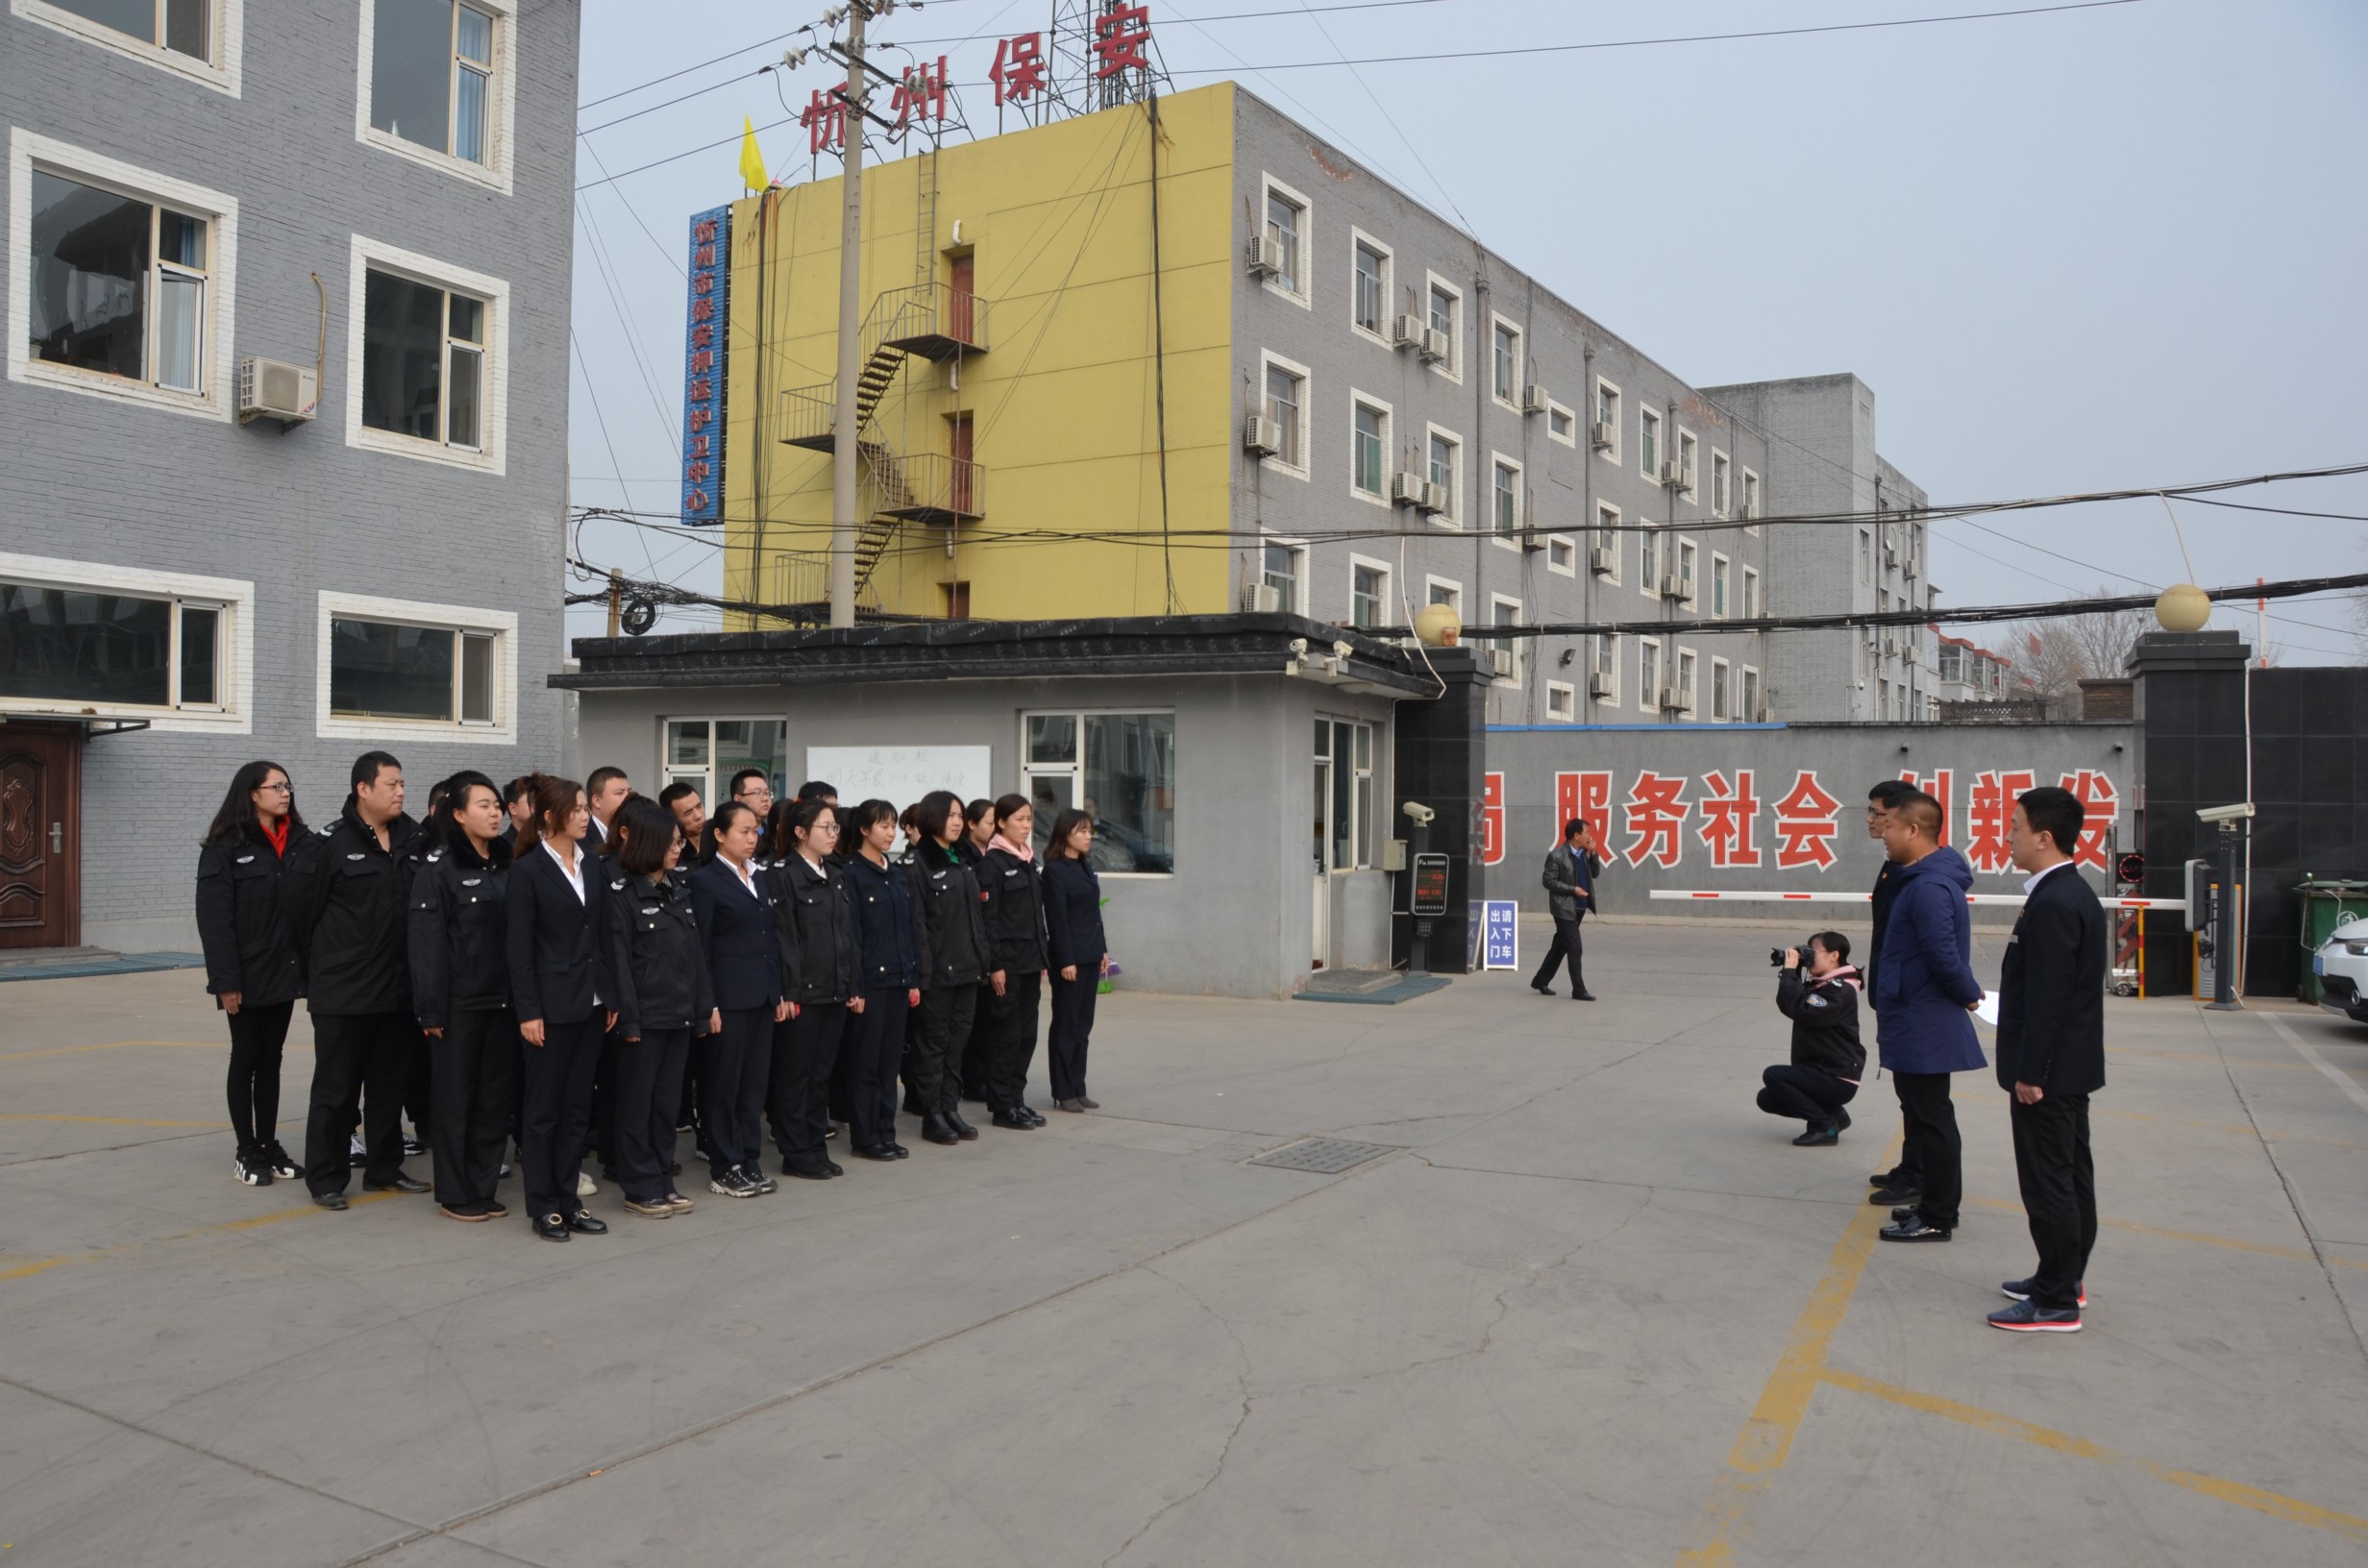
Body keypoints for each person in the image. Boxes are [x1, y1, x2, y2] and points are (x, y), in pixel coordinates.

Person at [285, 751, 428, 1210]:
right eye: (391, 784)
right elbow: (299, 917)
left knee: (389, 1086)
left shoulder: (414, 838)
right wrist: (323, 972)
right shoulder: (327, 844)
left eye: (402, 783)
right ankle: (326, 1178)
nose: (401, 791)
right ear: (363, 789)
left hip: (398, 990)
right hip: (344, 993)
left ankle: (385, 1169)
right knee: (336, 1091)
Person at [1987, 786, 2107, 1333]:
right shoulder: (2067, 892)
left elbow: (2049, 998)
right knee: (2070, 1177)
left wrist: (2031, 1072)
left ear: (2044, 837)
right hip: (2068, 1067)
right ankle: (2063, 1277)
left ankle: (2056, 1301)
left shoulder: (2056, 902)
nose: (2008, 837)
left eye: (2015, 827)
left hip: (2049, 1074)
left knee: (2049, 1183)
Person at [506, 774, 617, 1243]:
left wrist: (610, 995)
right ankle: (544, 1206)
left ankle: (569, 1201)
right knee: (543, 1113)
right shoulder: (528, 871)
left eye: (585, 808)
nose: (584, 815)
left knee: (576, 1109)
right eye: (576, 809)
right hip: (549, 1009)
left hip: (591, 1003)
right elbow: (519, 950)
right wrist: (528, 1011)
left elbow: (603, 934)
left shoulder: (592, 864)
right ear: (550, 817)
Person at [1871, 793, 1986, 1243]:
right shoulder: (1920, 880)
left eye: (1890, 826)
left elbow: (1943, 955)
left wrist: (1970, 995)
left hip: (1924, 1019)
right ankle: (1931, 1203)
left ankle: (1938, 1214)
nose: (1884, 834)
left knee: (1932, 1118)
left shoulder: (1928, 888)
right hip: (1913, 1013)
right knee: (1923, 1116)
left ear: (1914, 830)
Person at [407, 772, 516, 1222]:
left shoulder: (509, 863)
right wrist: (430, 1009)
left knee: (493, 1100)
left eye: (497, 806)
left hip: (504, 1002)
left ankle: (483, 1187)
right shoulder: (439, 869)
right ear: (458, 814)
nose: (494, 814)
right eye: (483, 806)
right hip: (459, 1005)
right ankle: (455, 1192)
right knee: (456, 1101)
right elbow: (426, 944)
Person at [194, 760, 308, 1187]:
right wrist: (226, 982)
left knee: (272, 1060)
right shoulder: (224, 848)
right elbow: (215, 921)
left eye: (287, 785)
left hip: (285, 970)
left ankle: (268, 1143)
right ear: (251, 794)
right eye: (276, 786)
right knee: (246, 1057)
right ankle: (247, 1149)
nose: (285, 793)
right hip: (246, 975)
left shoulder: (300, 841)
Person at [604, 797, 713, 1219]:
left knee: (666, 1106)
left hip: (678, 1016)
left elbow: (695, 958)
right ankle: (640, 1185)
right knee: (638, 1106)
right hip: (644, 1020)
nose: (677, 849)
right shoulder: (623, 894)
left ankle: (663, 1179)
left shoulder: (677, 890)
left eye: (678, 842)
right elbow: (620, 963)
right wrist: (629, 1020)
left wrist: (701, 1010)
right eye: (669, 842)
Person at [690, 800, 790, 1198]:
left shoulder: (758, 875)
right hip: (727, 1001)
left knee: (753, 1086)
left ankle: (749, 1159)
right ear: (719, 834)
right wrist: (709, 1004)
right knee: (724, 1086)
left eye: (756, 831)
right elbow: (701, 950)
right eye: (743, 831)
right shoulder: (705, 881)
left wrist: (776, 991)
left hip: (761, 997)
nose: (752, 838)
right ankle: (724, 1165)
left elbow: (771, 940)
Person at [763, 798, 857, 1178]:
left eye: (835, 827)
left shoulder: (835, 873)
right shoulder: (784, 875)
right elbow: (784, 938)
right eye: (825, 827)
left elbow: (846, 935)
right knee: (796, 1075)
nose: (833, 834)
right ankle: (796, 1152)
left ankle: (816, 1145)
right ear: (800, 832)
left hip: (834, 989)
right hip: (802, 992)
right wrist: (788, 992)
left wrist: (851, 983)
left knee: (821, 1075)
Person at [841, 798, 922, 1159]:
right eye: (883, 825)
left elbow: (907, 929)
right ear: (863, 829)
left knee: (890, 1063)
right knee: (866, 1063)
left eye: (893, 826)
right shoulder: (852, 875)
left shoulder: (896, 873)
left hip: (898, 981)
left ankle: (886, 1132)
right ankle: (865, 1137)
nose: (891, 832)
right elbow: (853, 937)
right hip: (871, 984)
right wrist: (856, 987)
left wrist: (912, 977)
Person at [906, 791, 987, 1146]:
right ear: (932, 818)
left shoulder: (963, 858)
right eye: (950, 815)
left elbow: (975, 918)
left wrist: (983, 960)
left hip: (968, 968)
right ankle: (932, 1114)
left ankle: (950, 1107)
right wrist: (923, 975)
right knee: (934, 1045)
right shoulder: (919, 863)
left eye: (959, 815)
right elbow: (918, 926)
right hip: (938, 973)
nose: (956, 822)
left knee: (957, 1043)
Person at [1861, 778, 1922, 1193]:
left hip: (1912, 1001)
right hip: (1893, 994)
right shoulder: (1892, 865)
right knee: (1909, 1095)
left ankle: (1921, 1176)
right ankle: (1912, 1165)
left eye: (1877, 813)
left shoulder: (1915, 874)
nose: (1870, 820)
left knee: (1923, 1100)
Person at [977, 795, 1049, 1129]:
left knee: (1026, 1035)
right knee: (1006, 1036)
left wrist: (1043, 957)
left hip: (1030, 962)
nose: (1026, 825)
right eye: (1019, 819)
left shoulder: (1027, 861)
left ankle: (1017, 1099)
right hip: (1007, 966)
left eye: (1029, 819)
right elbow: (988, 921)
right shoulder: (992, 864)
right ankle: (1002, 1105)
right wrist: (995, 966)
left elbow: (1035, 916)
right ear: (1002, 822)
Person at [1760, 933, 1865, 1146]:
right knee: (1767, 1098)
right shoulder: (1823, 984)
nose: (1809, 956)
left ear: (1834, 955)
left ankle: (1824, 1126)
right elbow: (1789, 1004)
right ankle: (1835, 1114)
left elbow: (1802, 1010)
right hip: (1821, 1069)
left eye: (1813, 951)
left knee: (1773, 1075)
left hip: (1837, 1076)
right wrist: (1794, 970)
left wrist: (1790, 972)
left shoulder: (1840, 990)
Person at [1040, 807, 1110, 1113]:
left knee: (1083, 1025)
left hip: (1091, 954)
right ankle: (1063, 1090)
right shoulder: (1055, 871)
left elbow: (1094, 913)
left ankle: (1078, 1087)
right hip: (1070, 960)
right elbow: (1057, 919)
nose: (1088, 836)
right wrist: (1066, 960)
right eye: (1082, 831)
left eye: (1089, 831)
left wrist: (1103, 949)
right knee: (1066, 1024)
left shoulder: (1084, 865)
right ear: (1065, 833)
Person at [1530, 818, 1603, 1000]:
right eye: (1586, 832)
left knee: (1560, 946)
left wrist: (1594, 853)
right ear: (1576, 835)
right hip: (1564, 908)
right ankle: (1578, 990)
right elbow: (1548, 881)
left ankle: (1540, 980)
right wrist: (1572, 890)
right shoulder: (1557, 855)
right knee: (1575, 947)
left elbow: (1595, 874)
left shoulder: (1583, 853)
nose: (1589, 836)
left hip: (1579, 908)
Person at [957, 796, 998, 1098]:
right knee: (971, 1022)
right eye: (989, 822)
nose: (994, 828)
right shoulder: (964, 857)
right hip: (970, 948)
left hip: (989, 946)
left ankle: (982, 1076)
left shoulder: (993, 855)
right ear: (972, 824)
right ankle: (971, 1079)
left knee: (988, 1020)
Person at [585, 767, 630, 850]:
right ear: (597, 801)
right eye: (619, 793)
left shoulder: (633, 831)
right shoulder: (581, 837)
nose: (628, 797)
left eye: (629, 791)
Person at [659, 782, 706, 861]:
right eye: (688, 813)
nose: (698, 816)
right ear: (673, 818)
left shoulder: (720, 842)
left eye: (699, 806)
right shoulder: (673, 855)